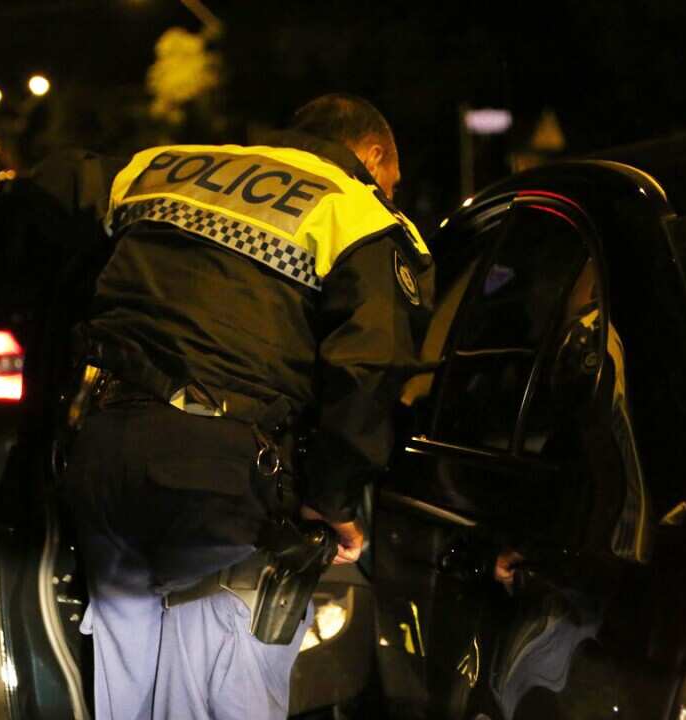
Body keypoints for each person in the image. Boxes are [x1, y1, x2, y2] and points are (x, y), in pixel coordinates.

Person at [65, 94, 434, 720]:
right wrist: (331, 500)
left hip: (102, 455)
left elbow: (72, 258)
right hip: (215, 481)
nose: (389, 194)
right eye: (391, 182)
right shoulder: (358, 213)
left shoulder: (155, 166)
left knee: (123, 678)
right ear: (373, 156)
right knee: (219, 682)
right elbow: (369, 368)